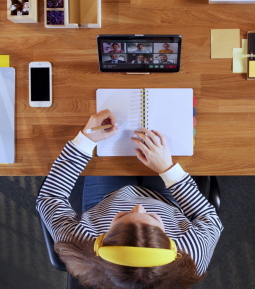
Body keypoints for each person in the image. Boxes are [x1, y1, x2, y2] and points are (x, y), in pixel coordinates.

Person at [36, 110, 223, 288]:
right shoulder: (191, 256)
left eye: (121, 217)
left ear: (100, 242)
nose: (139, 206)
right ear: (173, 247)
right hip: (166, 201)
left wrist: (86, 140)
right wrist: (167, 170)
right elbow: (209, 219)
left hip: (106, 199)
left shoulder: (82, 244)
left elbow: (50, 198)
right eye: (153, 219)